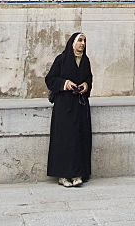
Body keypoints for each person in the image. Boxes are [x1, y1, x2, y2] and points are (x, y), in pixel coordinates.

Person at [45, 32, 92, 187]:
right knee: (64, 139)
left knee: (79, 138)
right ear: (73, 43)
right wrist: (65, 84)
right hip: (64, 107)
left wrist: (86, 85)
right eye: (80, 40)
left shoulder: (85, 61)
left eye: (84, 41)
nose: (82, 44)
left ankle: (78, 173)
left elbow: (89, 78)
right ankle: (64, 175)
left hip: (80, 106)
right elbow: (50, 79)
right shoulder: (62, 59)